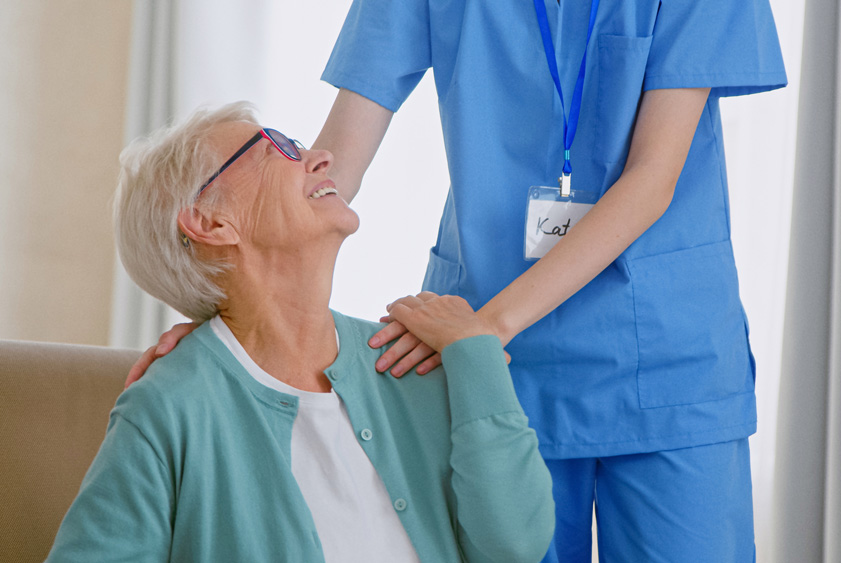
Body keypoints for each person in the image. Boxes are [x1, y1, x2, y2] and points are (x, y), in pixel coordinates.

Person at [133, 0, 787, 560]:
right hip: (492, 382)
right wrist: (236, 316)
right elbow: (330, 168)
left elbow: (652, 179)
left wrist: (485, 326)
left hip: (662, 364)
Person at [46, 102, 555, 563]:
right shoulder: (171, 403)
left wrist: (477, 351)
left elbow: (514, 547)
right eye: (276, 148)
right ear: (210, 223)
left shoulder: (415, 361)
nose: (320, 157)